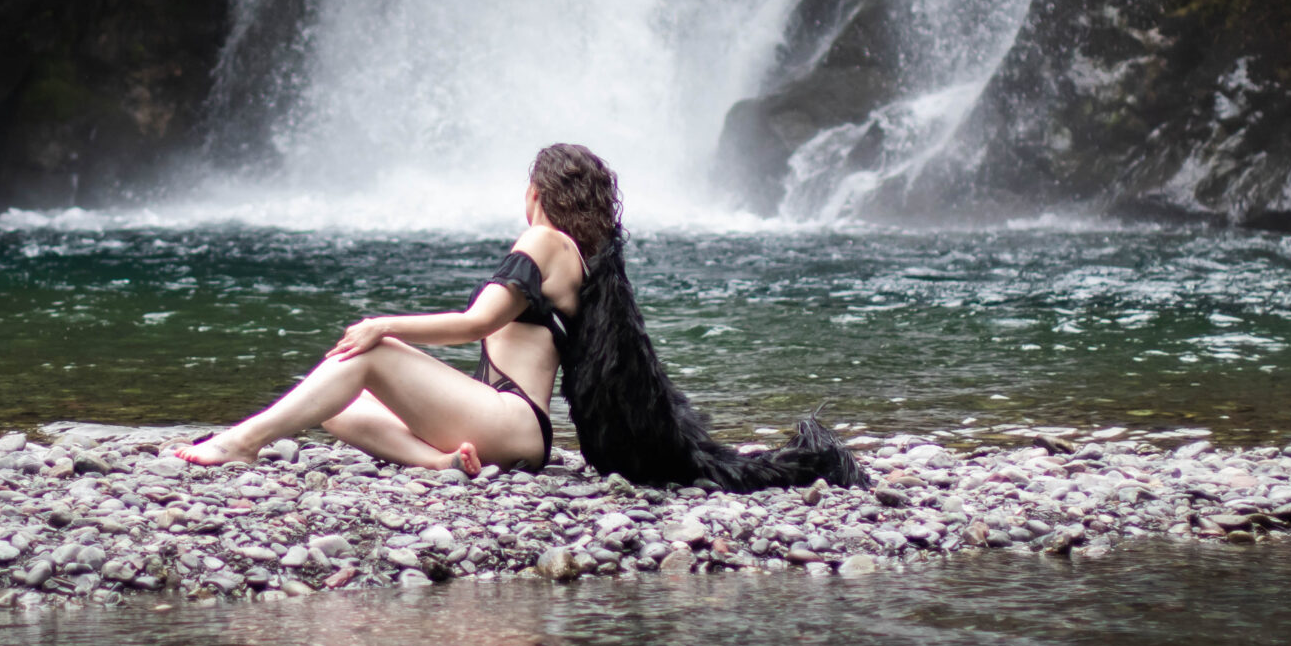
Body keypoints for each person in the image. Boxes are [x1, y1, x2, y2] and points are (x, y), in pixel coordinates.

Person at [172, 144, 865, 490]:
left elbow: (478, 323)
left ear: (538, 192)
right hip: (504, 430)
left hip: (515, 421)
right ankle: (447, 461)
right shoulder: (585, 256)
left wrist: (385, 323)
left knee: (365, 358)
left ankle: (241, 441)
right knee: (330, 399)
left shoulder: (544, 241)